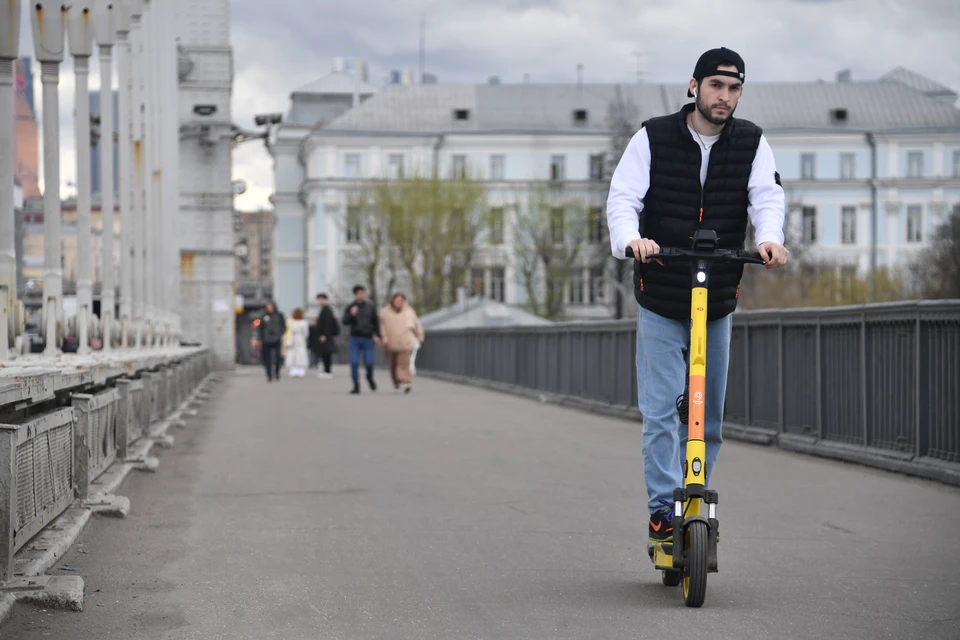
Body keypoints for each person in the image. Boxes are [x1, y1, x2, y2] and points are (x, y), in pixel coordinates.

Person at [606, 47, 789, 549]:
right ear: (694, 86)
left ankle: (696, 500)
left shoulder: (751, 141)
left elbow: (766, 197)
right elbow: (624, 198)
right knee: (663, 410)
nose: (724, 97)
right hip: (663, 292)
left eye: (733, 89)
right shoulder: (653, 136)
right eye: (715, 86)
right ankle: (663, 510)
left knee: (707, 416)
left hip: (718, 294)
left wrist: (769, 237)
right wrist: (631, 239)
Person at [379, 293, 425, 393]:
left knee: (404, 364)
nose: (399, 303)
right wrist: (384, 337)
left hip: (405, 342)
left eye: (401, 301)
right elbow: (382, 327)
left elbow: (416, 324)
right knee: (393, 364)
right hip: (391, 343)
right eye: (397, 300)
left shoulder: (409, 311)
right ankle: (396, 382)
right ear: (393, 301)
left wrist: (419, 336)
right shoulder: (385, 312)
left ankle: (406, 381)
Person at [342, 285, 381, 394]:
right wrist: (351, 314)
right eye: (359, 293)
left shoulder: (370, 307)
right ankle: (356, 385)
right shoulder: (350, 307)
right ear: (355, 295)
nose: (362, 295)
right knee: (354, 362)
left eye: (363, 293)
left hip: (367, 338)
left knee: (369, 362)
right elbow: (344, 321)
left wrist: (378, 335)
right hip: (355, 337)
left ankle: (369, 377)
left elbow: (376, 322)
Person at [258, 302, 286, 382]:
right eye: (268, 307)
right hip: (266, 339)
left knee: (277, 356)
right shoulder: (263, 316)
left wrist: (280, 333)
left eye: (271, 306)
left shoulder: (279, 315)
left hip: (276, 339)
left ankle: (277, 372)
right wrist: (260, 338)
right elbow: (260, 328)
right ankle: (269, 375)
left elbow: (283, 326)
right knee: (267, 358)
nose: (269, 308)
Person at [314, 293, 340, 379]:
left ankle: (328, 371)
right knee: (325, 353)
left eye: (321, 299)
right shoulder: (324, 310)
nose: (320, 301)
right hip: (325, 335)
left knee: (327, 353)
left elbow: (327, 324)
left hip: (326, 336)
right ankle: (326, 370)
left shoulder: (327, 310)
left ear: (325, 299)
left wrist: (324, 334)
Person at [285, 308, 310, 378]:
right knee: (301, 354)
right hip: (301, 339)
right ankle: (300, 370)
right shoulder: (304, 322)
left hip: (292, 339)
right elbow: (306, 333)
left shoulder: (290, 322)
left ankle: (293, 370)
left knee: (292, 354)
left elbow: (287, 331)